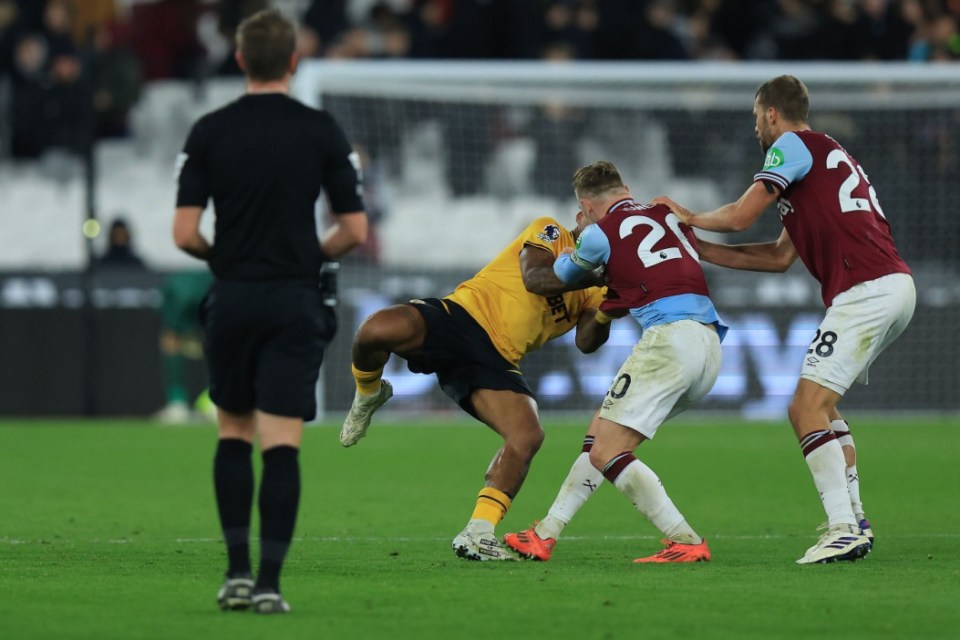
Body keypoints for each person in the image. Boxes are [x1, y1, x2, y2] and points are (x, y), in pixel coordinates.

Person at [652, 75, 915, 565]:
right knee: (825, 409)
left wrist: (684, 216)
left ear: (771, 112)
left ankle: (841, 528)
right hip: (891, 287)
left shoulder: (791, 146)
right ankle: (854, 520)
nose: (755, 128)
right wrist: (702, 250)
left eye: (756, 116)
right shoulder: (820, 161)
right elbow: (777, 257)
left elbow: (739, 216)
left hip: (867, 289)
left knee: (804, 409)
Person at [173, 9, 368, 614]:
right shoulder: (320, 130)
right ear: (293, 61)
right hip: (292, 299)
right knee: (281, 442)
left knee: (232, 430)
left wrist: (227, 260)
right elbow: (354, 229)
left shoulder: (208, 130)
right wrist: (305, 256)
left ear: (238, 60)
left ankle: (234, 573)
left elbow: (183, 233)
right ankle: (269, 586)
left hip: (232, 297)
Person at [340, 212, 611, 561]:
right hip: (461, 316)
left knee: (527, 435)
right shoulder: (552, 231)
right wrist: (592, 276)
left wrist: (608, 309)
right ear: (581, 216)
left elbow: (587, 343)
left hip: (496, 359)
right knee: (375, 330)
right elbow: (534, 278)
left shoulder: (599, 289)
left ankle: (478, 532)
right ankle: (368, 394)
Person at [504, 161, 727, 564]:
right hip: (710, 344)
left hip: (669, 341)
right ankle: (544, 534)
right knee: (600, 437)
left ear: (587, 206)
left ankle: (685, 539)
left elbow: (557, 277)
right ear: (625, 188)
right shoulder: (667, 215)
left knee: (606, 452)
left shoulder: (598, 233)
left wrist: (575, 247)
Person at [154, 269, 214, 424]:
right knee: (223, 337)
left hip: (203, 273)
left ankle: (178, 404)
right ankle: (215, 402)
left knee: (171, 338)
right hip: (215, 273)